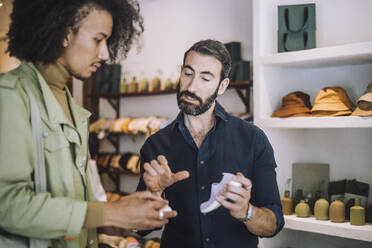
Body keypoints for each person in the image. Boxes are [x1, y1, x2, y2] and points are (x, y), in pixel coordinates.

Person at [0, 1, 176, 247]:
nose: (105, 54)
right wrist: (107, 213)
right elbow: (6, 204)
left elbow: (71, 206)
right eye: (98, 39)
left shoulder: (72, 107)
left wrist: (113, 218)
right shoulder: (9, 96)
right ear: (64, 34)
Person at [137, 39, 284, 248]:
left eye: (205, 78)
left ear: (222, 86)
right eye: (188, 74)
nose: (191, 86)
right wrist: (154, 194)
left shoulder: (253, 140)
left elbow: (274, 224)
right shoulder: (155, 145)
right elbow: (143, 228)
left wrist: (246, 211)